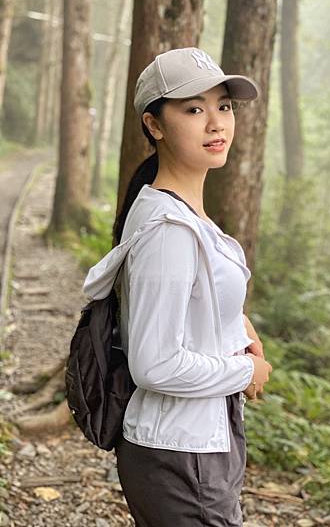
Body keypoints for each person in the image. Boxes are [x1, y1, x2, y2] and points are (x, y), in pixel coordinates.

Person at [82, 47, 273, 526]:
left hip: (191, 446)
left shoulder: (182, 215)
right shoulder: (169, 231)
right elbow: (156, 363)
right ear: (155, 125)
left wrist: (237, 322)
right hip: (182, 455)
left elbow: (195, 296)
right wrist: (244, 373)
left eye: (223, 106)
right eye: (194, 108)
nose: (216, 123)